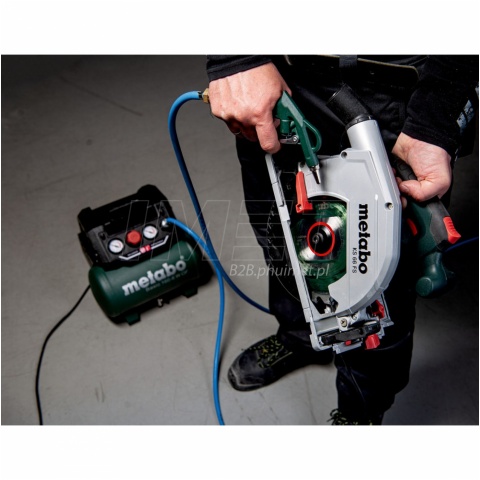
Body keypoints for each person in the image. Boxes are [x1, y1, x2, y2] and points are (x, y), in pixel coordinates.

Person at [206, 55, 478, 424]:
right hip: (277, 80)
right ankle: (300, 336)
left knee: (376, 291)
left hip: (390, 91)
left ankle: (359, 413)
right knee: (284, 242)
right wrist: (237, 57)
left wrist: (436, 119)